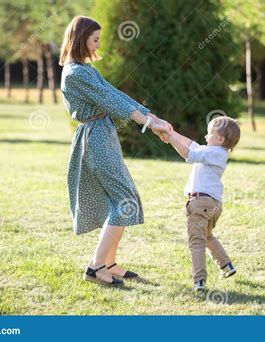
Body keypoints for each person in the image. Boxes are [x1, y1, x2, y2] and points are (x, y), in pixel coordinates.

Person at [59, 16, 172, 286]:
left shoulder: (84, 69)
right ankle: (96, 266)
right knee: (124, 200)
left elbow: (115, 93)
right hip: (95, 138)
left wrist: (151, 116)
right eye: (95, 39)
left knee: (121, 199)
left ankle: (109, 262)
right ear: (80, 38)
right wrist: (149, 125)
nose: (98, 44)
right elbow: (111, 101)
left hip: (102, 135)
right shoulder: (75, 73)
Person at [161, 116, 241, 291]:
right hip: (211, 205)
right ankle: (226, 266)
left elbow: (189, 154)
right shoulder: (215, 152)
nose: (205, 136)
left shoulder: (215, 153)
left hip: (201, 203)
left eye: (209, 133)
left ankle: (199, 281)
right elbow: (192, 145)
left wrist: (171, 138)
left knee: (196, 242)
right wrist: (172, 133)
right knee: (206, 236)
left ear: (220, 139)